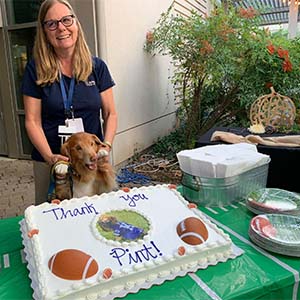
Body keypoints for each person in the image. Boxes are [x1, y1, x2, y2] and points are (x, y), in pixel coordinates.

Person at [22, 0, 117, 205]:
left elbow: (110, 114)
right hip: (52, 163)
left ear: (75, 23)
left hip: (91, 161)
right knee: (51, 217)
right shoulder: (35, 69)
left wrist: (106, 146)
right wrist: (50, 157)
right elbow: (32, 121)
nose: (61, 28)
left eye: (66, 20)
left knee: (96, 214)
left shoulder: (97, 67)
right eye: (52, 23)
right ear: (45, 31)